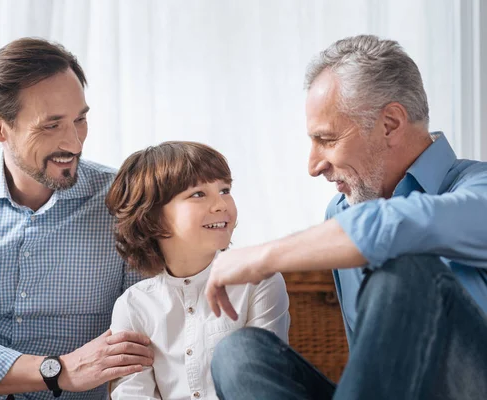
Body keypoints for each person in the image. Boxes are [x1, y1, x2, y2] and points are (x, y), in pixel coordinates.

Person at [206, 34, 487, 400]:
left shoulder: (478, 190)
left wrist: (262, 256)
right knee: (238, 356)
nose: (313, 165)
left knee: (406, 270)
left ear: (389, 124)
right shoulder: (341, 213)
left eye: (327, 139)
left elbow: (397, 226)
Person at [0, 37, 153, 400]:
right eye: (51, 126)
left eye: (80, 120)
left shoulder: (125, 201)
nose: (75, 143)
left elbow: (149, 334)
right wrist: (59, 370)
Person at [105, 141, 290, 399]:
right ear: (152, 217)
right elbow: (132, 393)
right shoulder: (133, 306)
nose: (221, 205)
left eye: (225, 190)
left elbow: (264, 384)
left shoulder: (259, 282)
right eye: (198, 194)